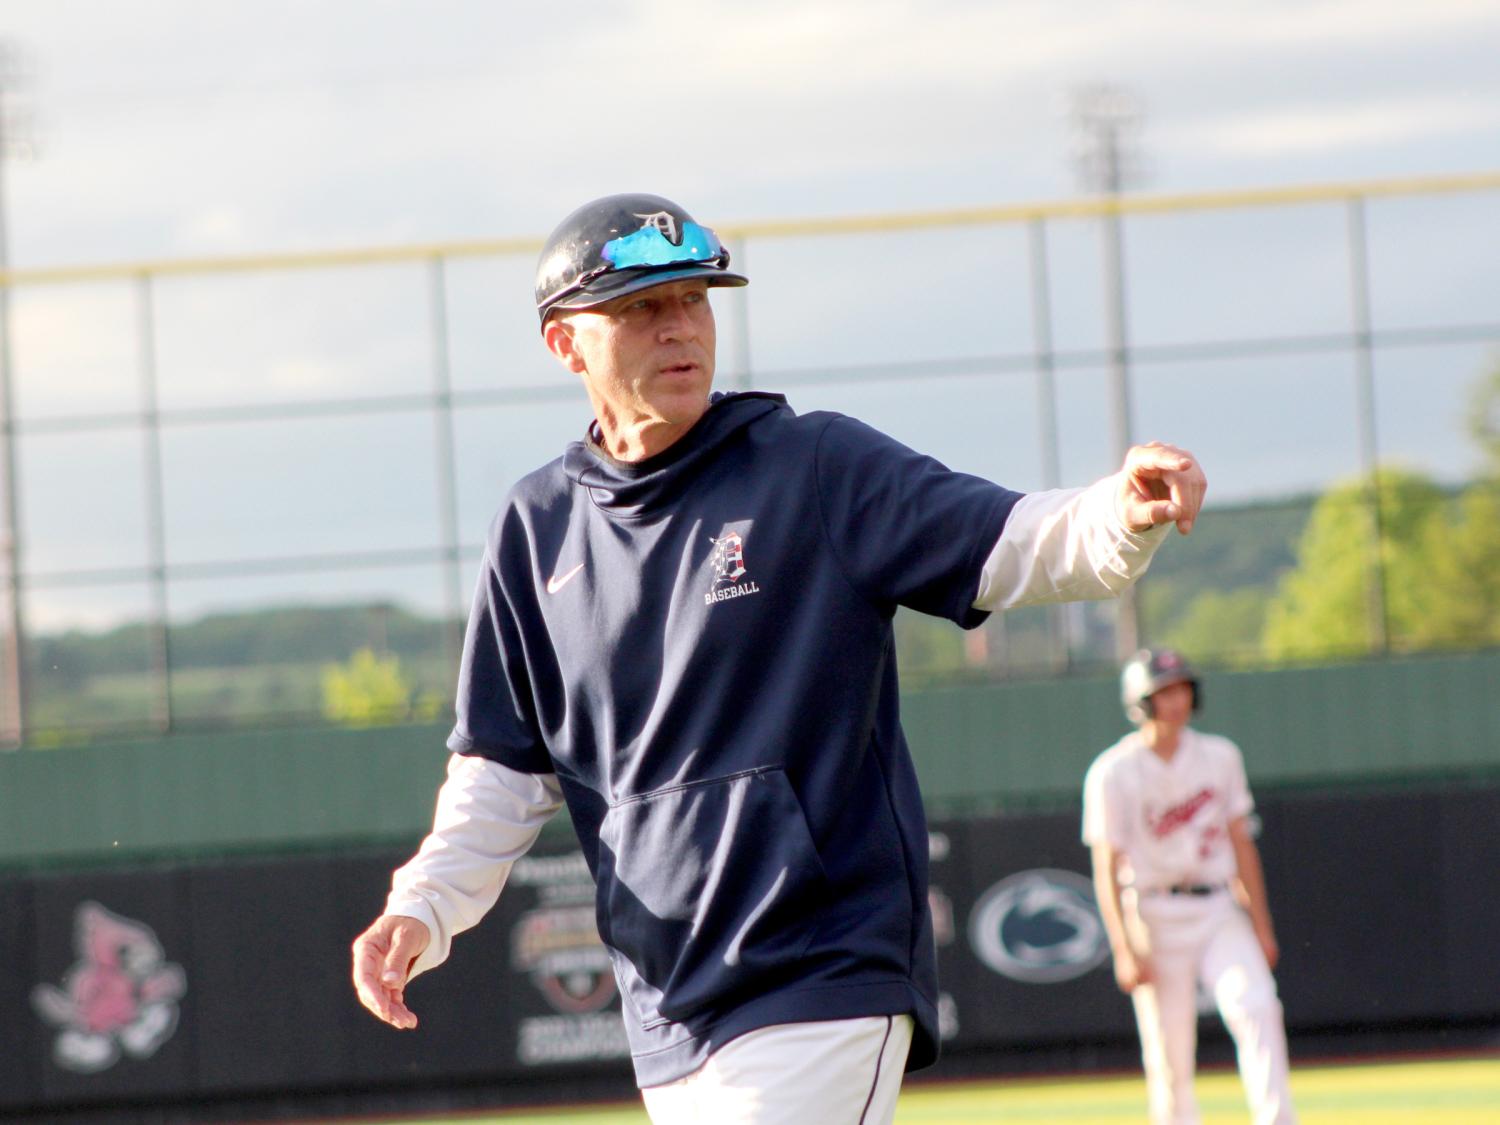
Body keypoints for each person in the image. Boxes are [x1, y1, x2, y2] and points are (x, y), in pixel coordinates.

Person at [351, 192, 1207, 1124]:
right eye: (642, 307)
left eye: (694, 299)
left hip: (825, 966)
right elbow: (502, 774)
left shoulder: (814, 466)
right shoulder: (534, 526)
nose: (680, 326)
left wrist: (1121, 510)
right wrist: (424, 906)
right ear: (566, 343)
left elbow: (1013, 541)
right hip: (668, 997)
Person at [1082, 648, 1296, 1125]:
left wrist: (1261, 925)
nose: (1176, 700)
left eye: (1181, 688)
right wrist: (1122, 946)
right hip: (1153, 912)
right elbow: (1106, 866)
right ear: (1140, 703)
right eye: (1163, 692)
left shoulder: (1220, 756)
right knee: (1169, 1052)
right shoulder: (1112, 771)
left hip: (1218, 905)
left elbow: (1242, 845)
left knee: (1256, 1005)